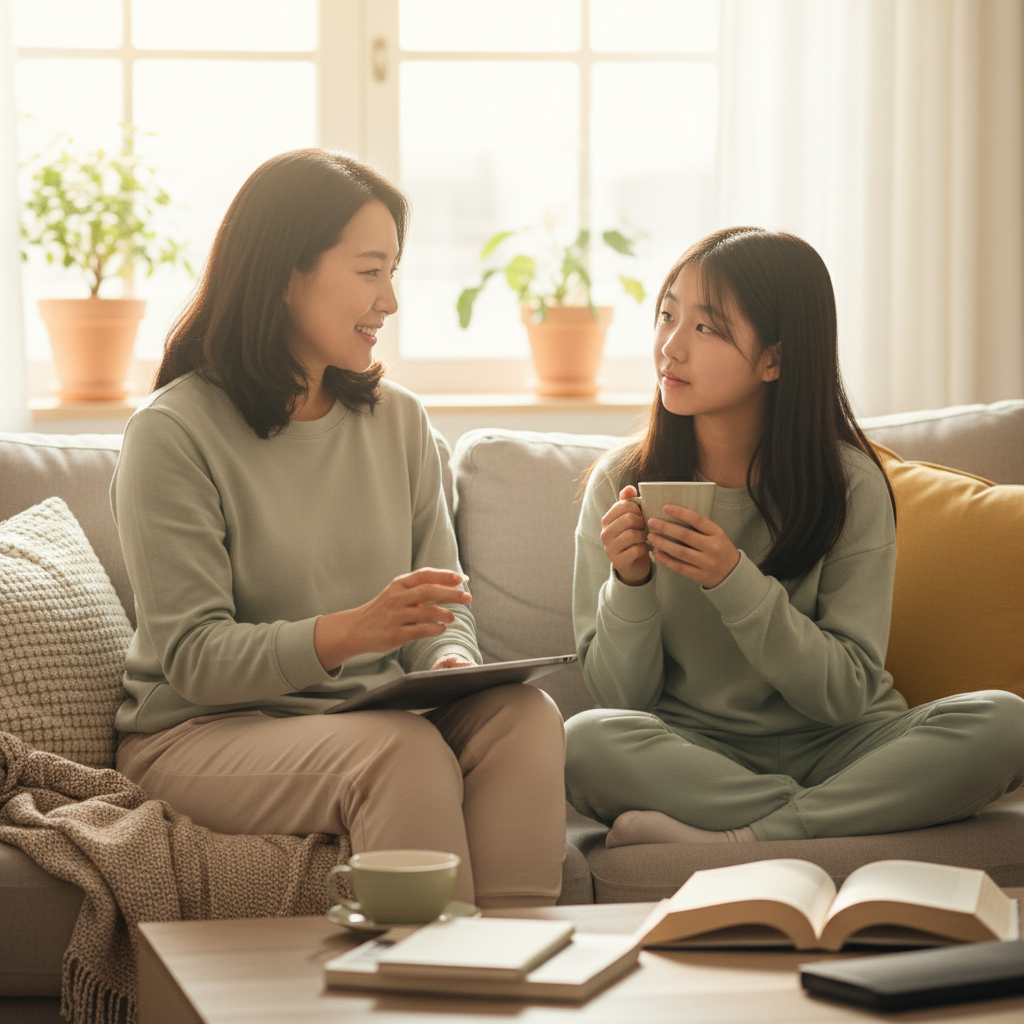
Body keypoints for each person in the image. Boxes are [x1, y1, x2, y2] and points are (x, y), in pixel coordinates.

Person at [111, 149, 566, 908]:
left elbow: (439, 609)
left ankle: (510, 969)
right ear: (286, 274)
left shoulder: (400, 421)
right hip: (199, 734)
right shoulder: (174, 433)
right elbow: (193, 658)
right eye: (369, 270)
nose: (389, 300)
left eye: (394, 270)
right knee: (402, 752)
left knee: (523, 717)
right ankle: (432, 993)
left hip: (360, 717)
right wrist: (352, 633)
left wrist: (450, 661)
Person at [565, 227, 1024, 848]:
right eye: (667, 315)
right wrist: (631, 583)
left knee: (1007, 723)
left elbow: (842, 696)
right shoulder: (622, 483)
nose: (670, 348)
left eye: (706, 328)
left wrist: (735, 582)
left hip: (842, 744)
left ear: (775, 357)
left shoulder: (849, 486)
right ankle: (822, 820)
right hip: (697, 752)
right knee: (583, 742)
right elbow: (623, 696)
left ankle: (746, 837)